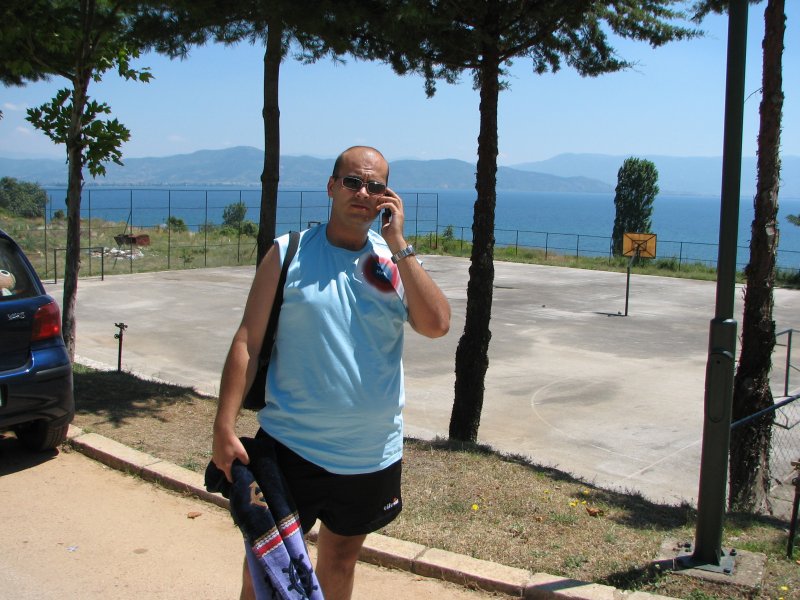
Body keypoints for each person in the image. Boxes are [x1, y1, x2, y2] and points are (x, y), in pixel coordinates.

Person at [212, 145, 451, 600]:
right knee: (266, 571)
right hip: (289, 447)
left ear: (387, 197)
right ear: (331, 187)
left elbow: (436, 324)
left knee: (340, 562)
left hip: (369, 454)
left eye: (375, 186)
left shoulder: (392, 263)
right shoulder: (289, 252)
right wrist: (223, 427)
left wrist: (399, 244)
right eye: (352, 182)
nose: (363, 193)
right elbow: (248, 341)